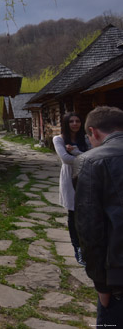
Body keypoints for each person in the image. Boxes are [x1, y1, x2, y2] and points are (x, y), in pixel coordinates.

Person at [74, 105, 123, 326]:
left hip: (118, 277)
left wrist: (101, 285)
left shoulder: (91, 161)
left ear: (93, 132)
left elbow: (90, 229)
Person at [53, 112, 88, 265]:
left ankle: (89, 246)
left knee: (88, 212)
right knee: (73, 212)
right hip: (69, 178)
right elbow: (66, 160)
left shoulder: (86, 139)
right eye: (71, 121)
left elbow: (92, 155)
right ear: (66, 124)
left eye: (78, 121)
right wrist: (84, 157)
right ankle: (77, 247)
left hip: (87, 178)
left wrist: (75, 152)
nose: (75, 124)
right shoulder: (58, 139)